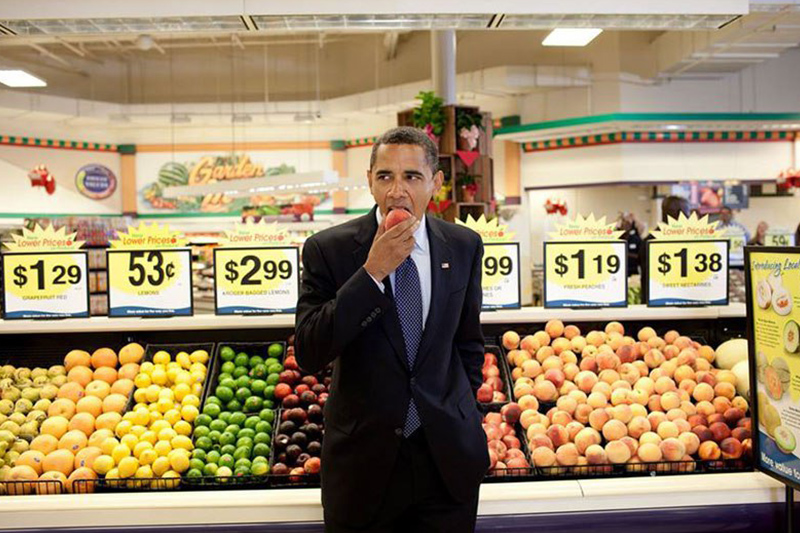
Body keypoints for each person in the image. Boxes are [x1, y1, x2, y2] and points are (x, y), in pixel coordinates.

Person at [295, 126, 488, 533]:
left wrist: (459, 411)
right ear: (369, 181)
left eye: (412, 177)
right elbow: (310, 351)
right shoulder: (327, 250)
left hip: (446, 464)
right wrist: (372, 272)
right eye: (385, 176)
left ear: (435, 183)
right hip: (364, 468)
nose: (397, 190)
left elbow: (468, 343)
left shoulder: (464, 245)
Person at [640, 196, 691, 301]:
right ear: (679, 214)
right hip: (671, 302)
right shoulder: (688, 241)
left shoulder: (649, 240)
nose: (689, 217)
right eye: (687, 213)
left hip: (655, 303)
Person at [618, 212, 643, 277]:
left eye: (628, 224)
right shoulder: (617, 239)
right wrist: (619, 218)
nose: (626, 226)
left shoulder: (636, 239)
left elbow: (641, 256)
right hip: (619, 271)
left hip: (633, 271)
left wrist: (627, 254)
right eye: (624, 224)